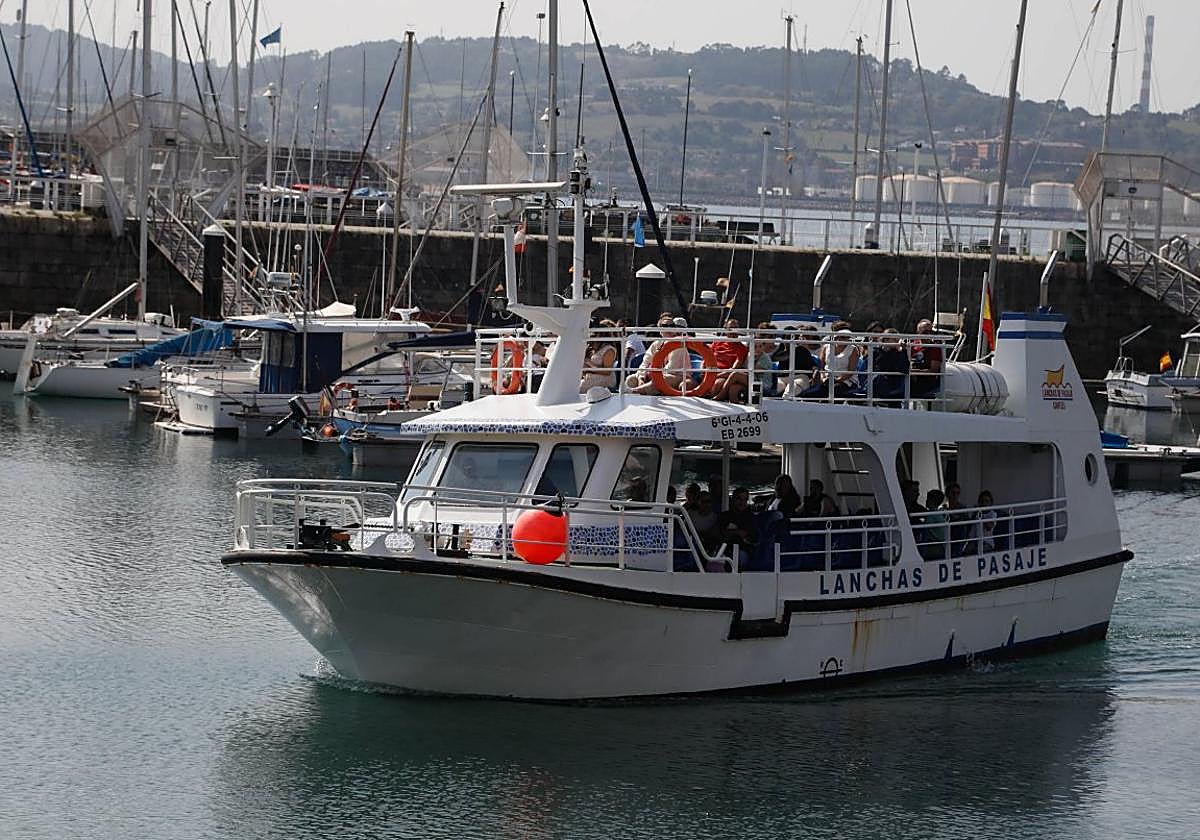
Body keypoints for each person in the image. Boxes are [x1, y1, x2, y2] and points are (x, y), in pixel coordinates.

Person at [624, 316, 690, 394]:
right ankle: (637, 393)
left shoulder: (679, 344)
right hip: (655, 374)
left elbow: (671, 369)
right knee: (631, 379)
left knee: (662, 379)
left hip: (678, 376)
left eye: (671, 326)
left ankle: (636, 391)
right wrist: (641, 377)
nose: (669, 328)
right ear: (660, 329)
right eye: (665, 326)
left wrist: (651, 375)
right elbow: (645, 362)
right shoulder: (656, 344)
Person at [714, 487, 757, 554]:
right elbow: (719, 534)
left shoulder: (751, 518)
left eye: (745, 499)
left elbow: (753, 538)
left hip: (744, 550)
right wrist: (736, 532)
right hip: (724, 549)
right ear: (733, 499)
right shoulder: (724, 516)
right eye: (739, 499)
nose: (742, 502)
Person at [580, 319, 619, 392]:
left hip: (604, 381)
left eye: (594, 334)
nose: (590, 335)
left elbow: (607, 372)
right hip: (590, 379)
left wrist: (589, 365)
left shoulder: (609, 350)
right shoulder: (591, 348)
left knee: (574, 389)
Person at [872, 328, 910, 401]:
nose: (898, 342)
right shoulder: (876, 352)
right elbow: (877, 367)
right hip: (878, 381)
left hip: (893, 382)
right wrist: (885, 352)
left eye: (898, 340)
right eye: (895, 340)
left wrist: (901, 351)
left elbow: (905, 369)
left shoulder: (900, 352)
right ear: (886, 340)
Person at [910, 318, 944, 399]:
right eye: (925, 332)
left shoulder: (935, 348)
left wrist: (913, 372)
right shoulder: (912, 346)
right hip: (911, 379)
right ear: (918, 332)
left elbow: (933, 370)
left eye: (931, 332)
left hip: (926, 381)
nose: (928, 335)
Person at [918, 488, 948, 560]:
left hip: (937, 547)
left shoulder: (932, 515)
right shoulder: (938, 513)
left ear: (932, 501)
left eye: (928, 499)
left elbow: (925, 529)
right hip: (941, 546)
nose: (926, 501)